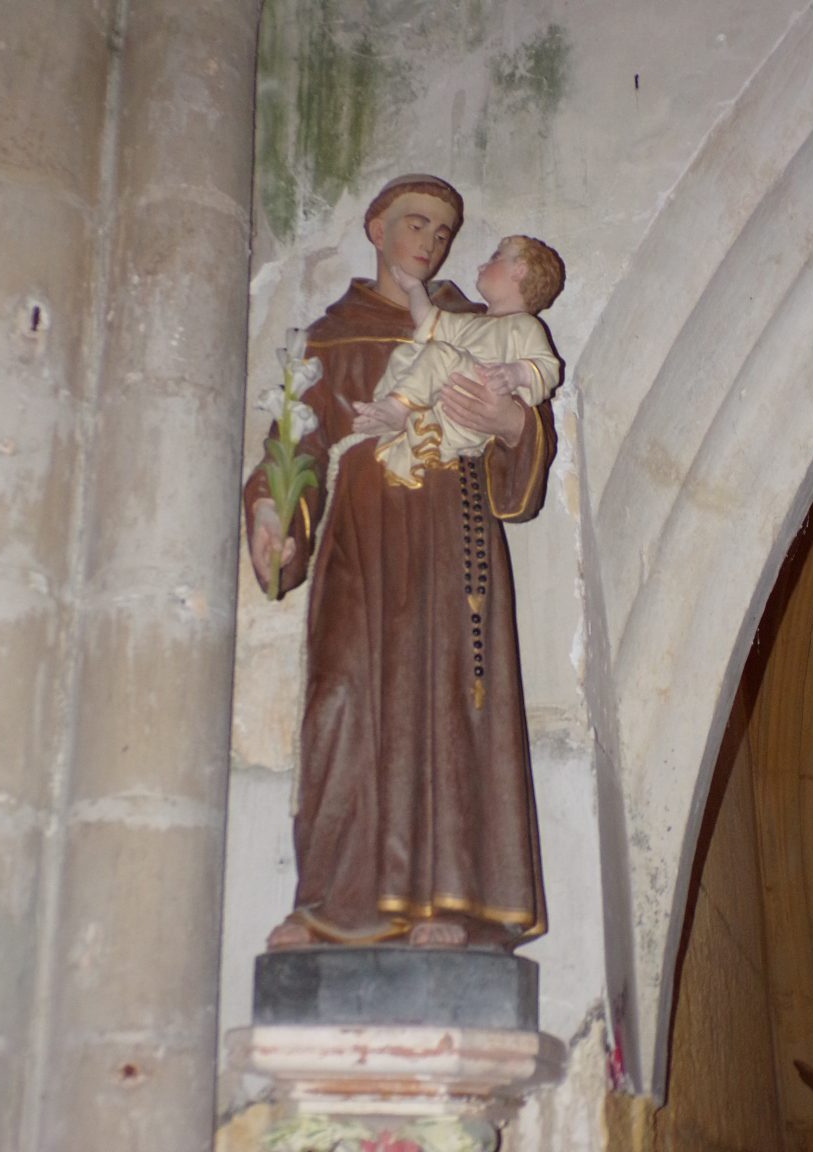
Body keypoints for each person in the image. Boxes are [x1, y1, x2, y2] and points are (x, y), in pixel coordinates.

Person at [244, 174, 559, 950]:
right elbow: (298, 441)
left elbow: (525, 434)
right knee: (341, 700)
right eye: (416, 223)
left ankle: (447, 902)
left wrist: (509, 421)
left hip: (453, 542)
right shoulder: (331, 334)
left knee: (447, 706)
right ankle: (330, 903)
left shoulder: (470, 327)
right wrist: (271, 511)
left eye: (445, 232)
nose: (430, 241)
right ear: (377, 228)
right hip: (359, 541)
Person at [352, 236, 564, 487]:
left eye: (496, 257)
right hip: (449, 407)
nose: (481, 266)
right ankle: (392, 417)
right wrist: (414, 288)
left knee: (438, 354)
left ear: (520, 271)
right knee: (407, 354)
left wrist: (516, 372)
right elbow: (428, 320)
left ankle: (397, 409)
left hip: (481, 394)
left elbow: (549, 368)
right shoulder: (471, 322)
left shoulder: (524, 325)